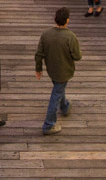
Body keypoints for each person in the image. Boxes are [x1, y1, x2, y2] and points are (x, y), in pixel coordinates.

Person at [35, 7, 82, 136]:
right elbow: (77, 56)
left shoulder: (46, 34)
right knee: (56, 93)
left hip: (51, 68)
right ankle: (49, 124)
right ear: (67, 21)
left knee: (59, 87)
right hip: (64, 70)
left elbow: (39, 53)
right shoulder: (70, 37)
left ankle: (65, 106)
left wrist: (38, 68)